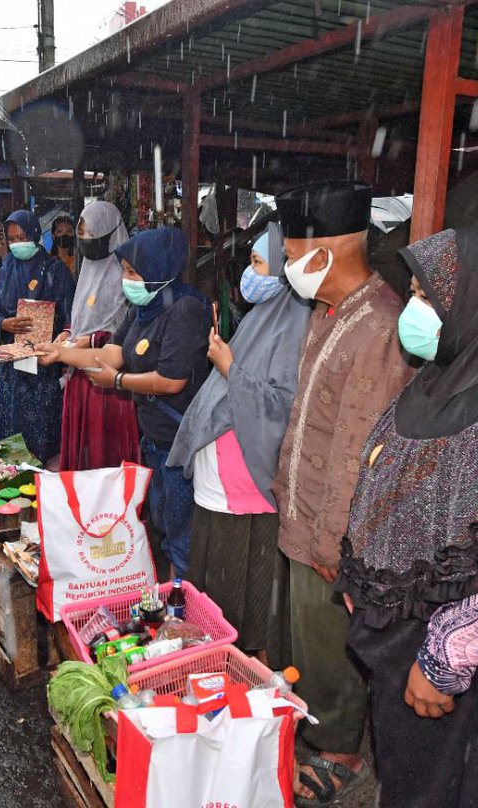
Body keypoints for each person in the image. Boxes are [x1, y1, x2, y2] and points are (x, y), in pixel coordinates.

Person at [335, 226, 478, 808]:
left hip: (441, 654)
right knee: (409, 773)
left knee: (447, 785)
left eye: (426, 298)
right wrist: (362, 581)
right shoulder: (447, 375)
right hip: (399, 631)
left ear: (477, 304)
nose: (413, 310)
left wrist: (443, 664)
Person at [269, 180, 414, 805]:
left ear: (326, 251)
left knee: (332, 646)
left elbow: (361, 452)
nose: (287, 264)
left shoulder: (379, 323)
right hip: (302, 516)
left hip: (335, 531)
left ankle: (340, 751)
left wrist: (335, 541)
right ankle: (312, 723)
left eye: (294, 249)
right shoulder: (328, 312)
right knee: (305, 638)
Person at [168, 222, 311, 657]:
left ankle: (231, 663)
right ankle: (213, 655)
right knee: (213, 575)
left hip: (247, 485)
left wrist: (229, 366)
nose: (249, 273)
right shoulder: (262, 317)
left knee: (237, 585)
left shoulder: (295, 324)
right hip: (223, 482)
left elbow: (282, 406)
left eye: (257, 262)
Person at [41, 227, 210, 577]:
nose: (125, 279)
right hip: (153, 434)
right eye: (124, 271)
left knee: (181, 529)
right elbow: (112, 354)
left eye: (133, 272)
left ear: (158, 268)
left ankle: (182, 599)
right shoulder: (141, 308)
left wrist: (117, 382)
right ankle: (168, 587)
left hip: (180, 439)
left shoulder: (186, 310)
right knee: (161, 517)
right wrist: (61, 353)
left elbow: (171, 380)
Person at [54, 201, 138, 471]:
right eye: (82, 236)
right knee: (82, 452)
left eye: (92, 234)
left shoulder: (128, 272)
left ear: (109, 233)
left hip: (109, 381)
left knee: (104, 450)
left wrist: (91, 341)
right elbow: (81, 312)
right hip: (80, 373)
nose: (86, 241)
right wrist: (68, 331)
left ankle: (109, 510)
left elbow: (131, 329)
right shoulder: (89, 267)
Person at [0, 210, 75, 464]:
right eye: (12, 238)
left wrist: (60, 336)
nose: (17, 243)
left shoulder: (56, 270)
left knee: (42, 433)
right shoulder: (7, 268)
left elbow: (70, 316)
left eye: (22, 236)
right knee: (10, 431)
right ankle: (10, 485)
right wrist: (5, 323)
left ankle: (40, 488)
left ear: (36, 235)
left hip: (43, 368)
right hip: (11, 367)